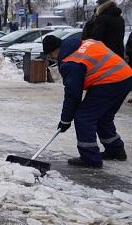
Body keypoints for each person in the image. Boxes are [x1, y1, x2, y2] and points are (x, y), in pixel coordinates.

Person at [42, 35, 132, 168]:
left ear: (56, 49)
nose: (52, 58)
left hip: (109, 81)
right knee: (103, 117)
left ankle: (90, 159)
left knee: (84, 117)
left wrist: (65, 120)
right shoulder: (84, 43)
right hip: (125, 77)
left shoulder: (71, 62)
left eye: (50, 55)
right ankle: (115, 150)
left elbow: (73, 95)